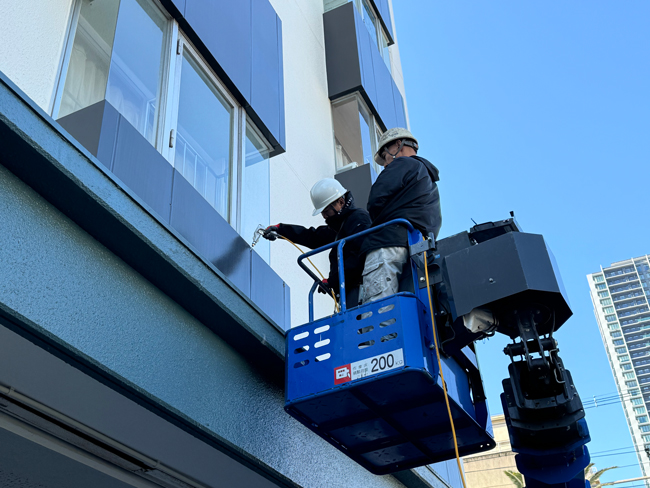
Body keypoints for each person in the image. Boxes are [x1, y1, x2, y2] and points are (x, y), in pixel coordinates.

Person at [359, 128, 442, 304]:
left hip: (388, 242)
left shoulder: (402, 164)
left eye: (385, 156)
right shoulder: (428, 181)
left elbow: (375, 200)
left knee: (378, 308)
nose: (385, 164)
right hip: (416, 249)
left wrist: (377, 221)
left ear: (398, 145)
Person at [263, 178, 371, 304]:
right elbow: (312, 237)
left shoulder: (358, 219)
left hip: (361, 289)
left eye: (326, 211)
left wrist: (333, 281)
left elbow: (359, 257)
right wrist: (281, 229)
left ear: (341, 202)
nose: (324, 216)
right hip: (350, 291)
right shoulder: (341, 227)